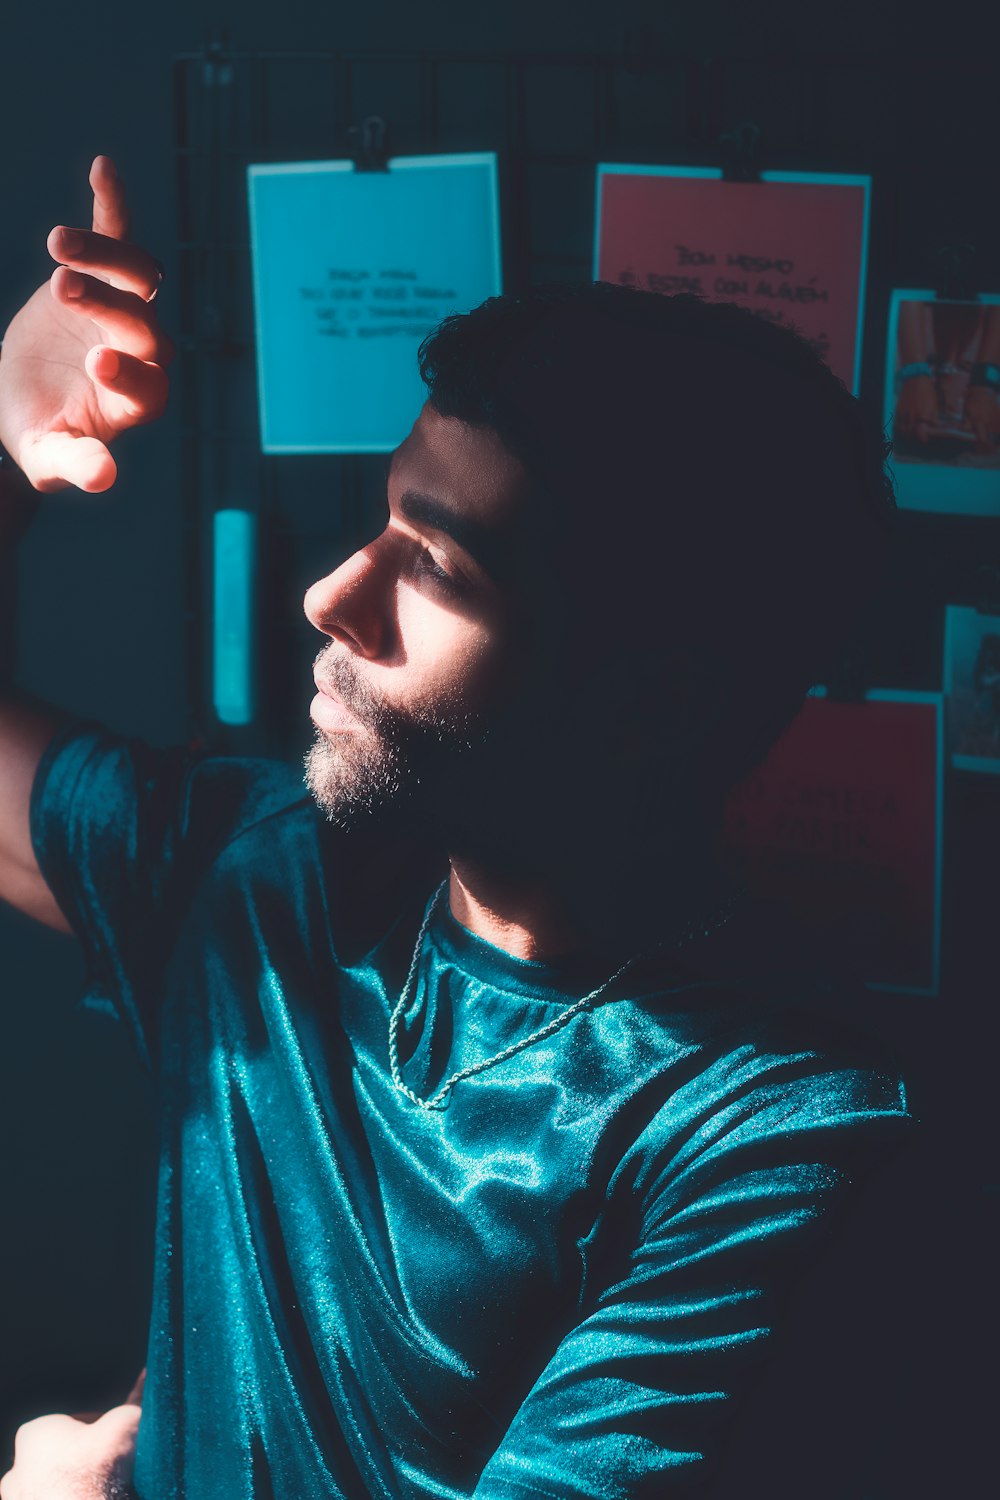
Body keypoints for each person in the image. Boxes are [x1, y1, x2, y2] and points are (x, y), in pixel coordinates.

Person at [0, 157, 913, 1499]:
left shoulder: (763, 1127)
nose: (330, 595)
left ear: (649, 704)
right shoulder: (259, 873)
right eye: (381, 521)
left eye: (434, 563)